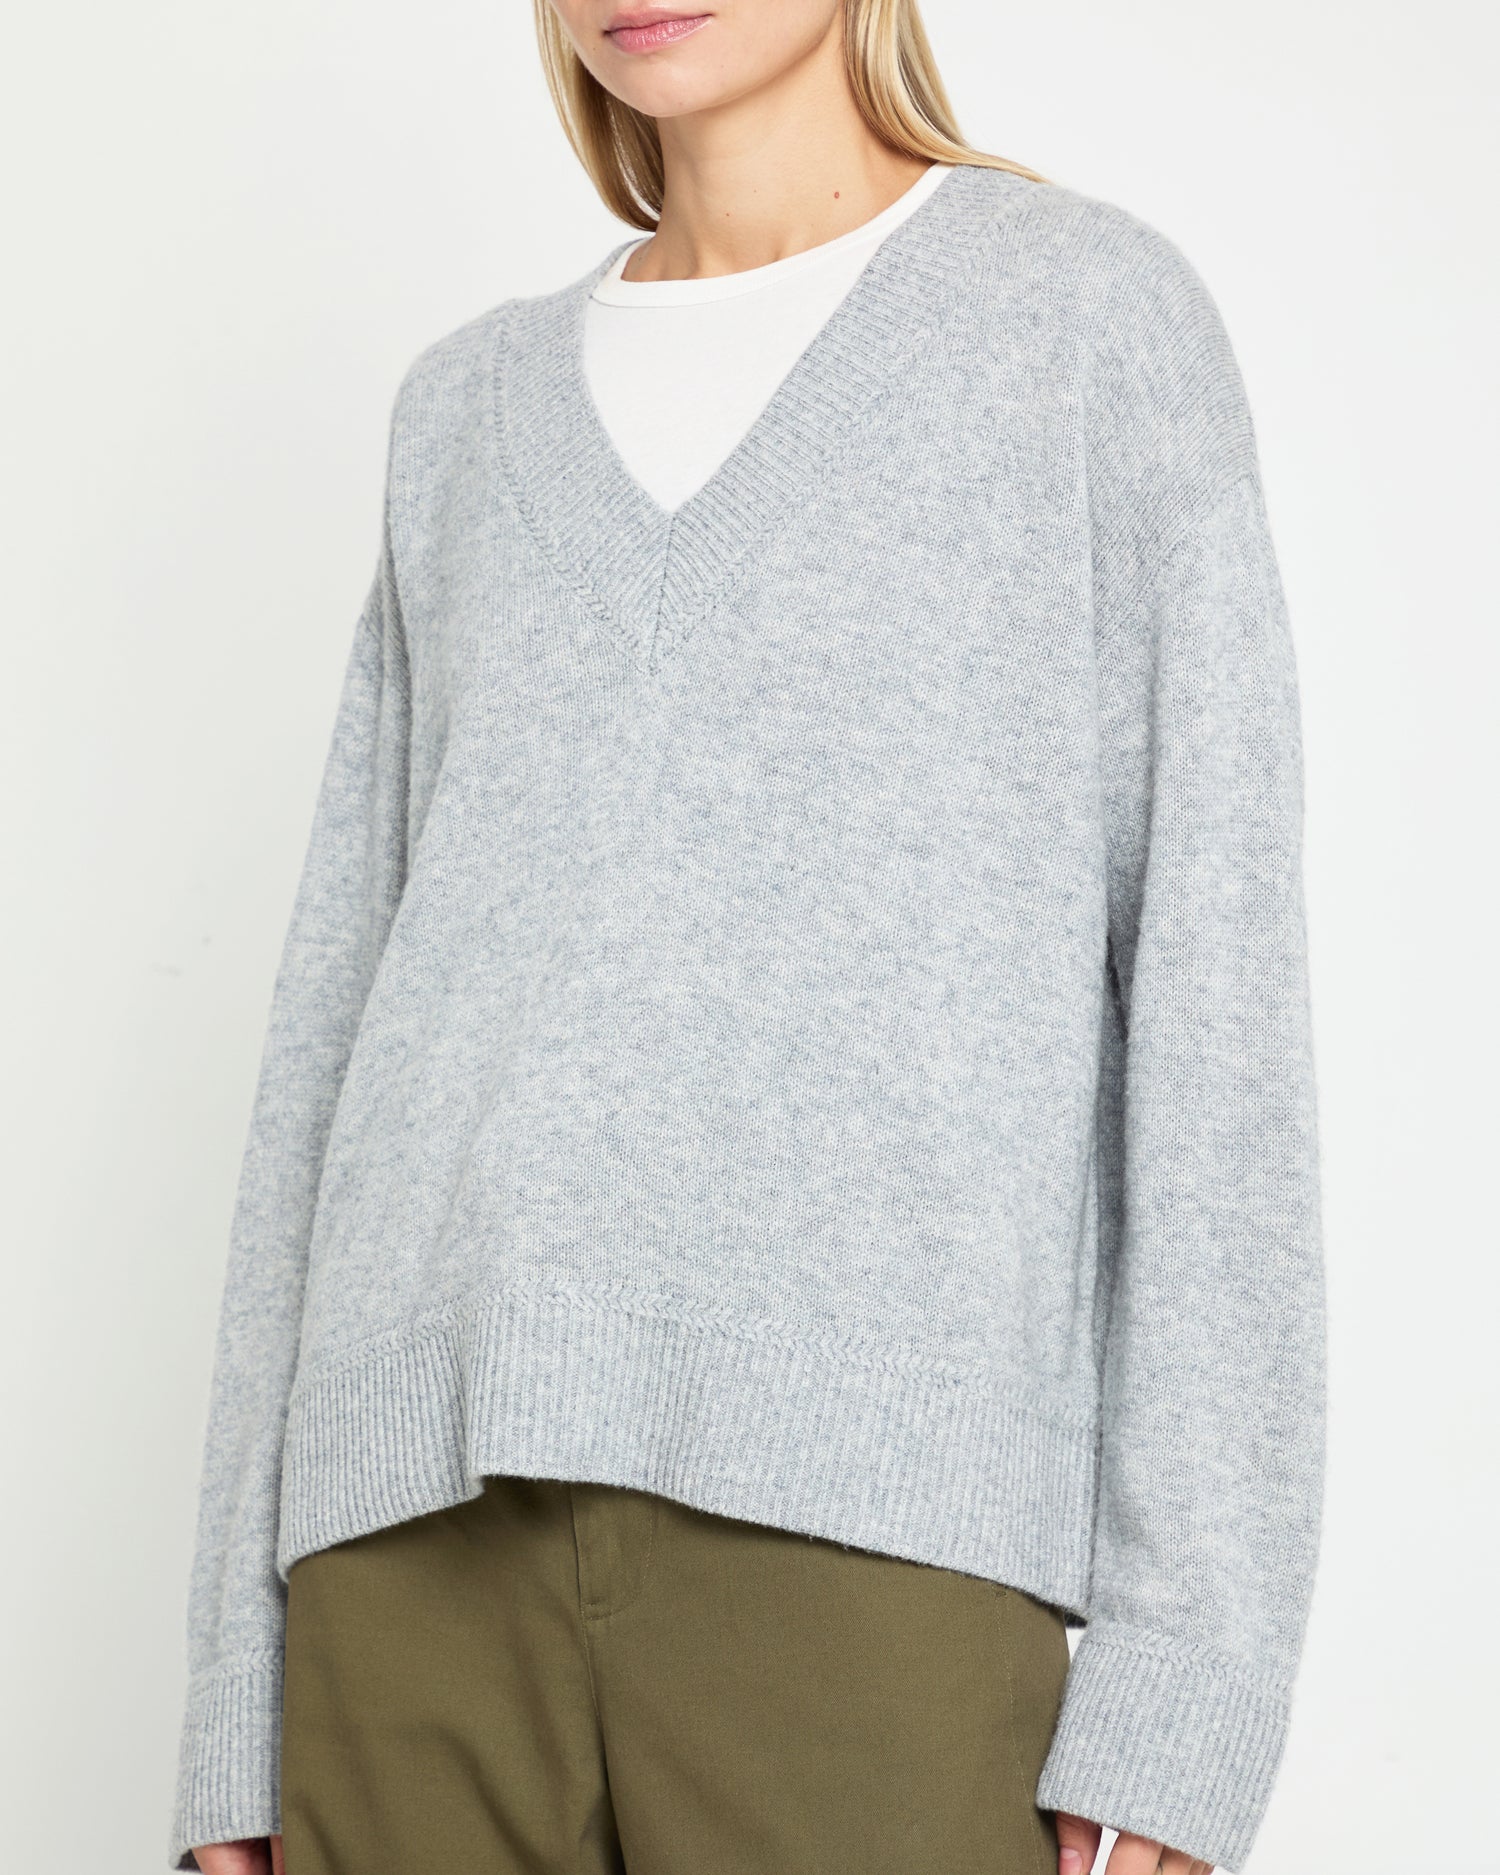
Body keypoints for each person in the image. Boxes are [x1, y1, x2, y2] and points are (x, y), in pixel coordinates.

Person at [169, 4, 1326, 1873]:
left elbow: (1217, 1016)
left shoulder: (1082, 325)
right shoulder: (462, 409)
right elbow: (329, 1039)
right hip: (408, 1568)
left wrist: (1192, 1680)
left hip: (875, 1562)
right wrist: (239, 1691)